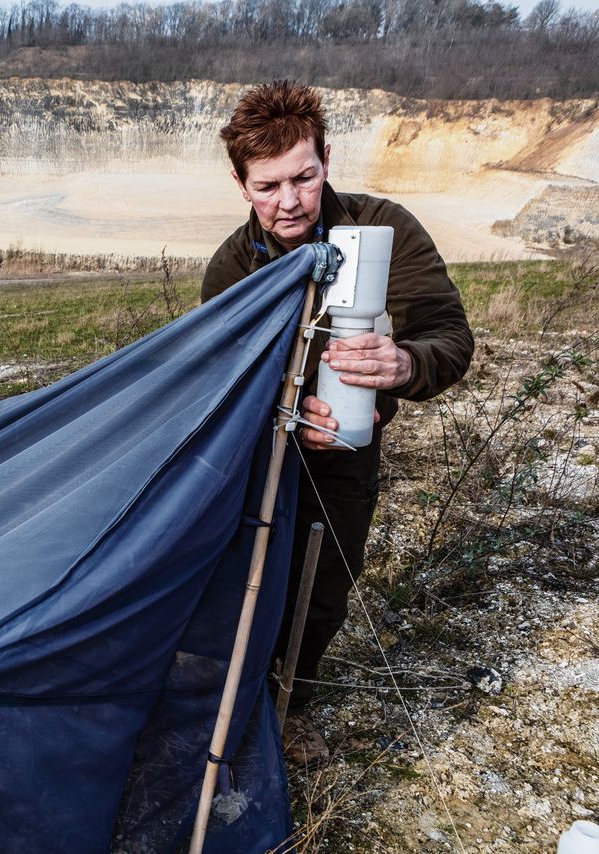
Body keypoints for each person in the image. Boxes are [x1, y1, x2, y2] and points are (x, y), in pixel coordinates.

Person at [201, 80, 473, 763]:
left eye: (305, 177)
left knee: (322, 591)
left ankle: (292, 705)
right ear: (240, 184)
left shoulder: (384, 230)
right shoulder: (232, 268)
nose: (289, 201)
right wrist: (283, 416)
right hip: (261, 455)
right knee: (244, 580)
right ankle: (234, 699)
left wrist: (403, 366)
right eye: (268, 187)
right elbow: (216, 385)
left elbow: (448, 335)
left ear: (327, 159)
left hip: (348, 453)